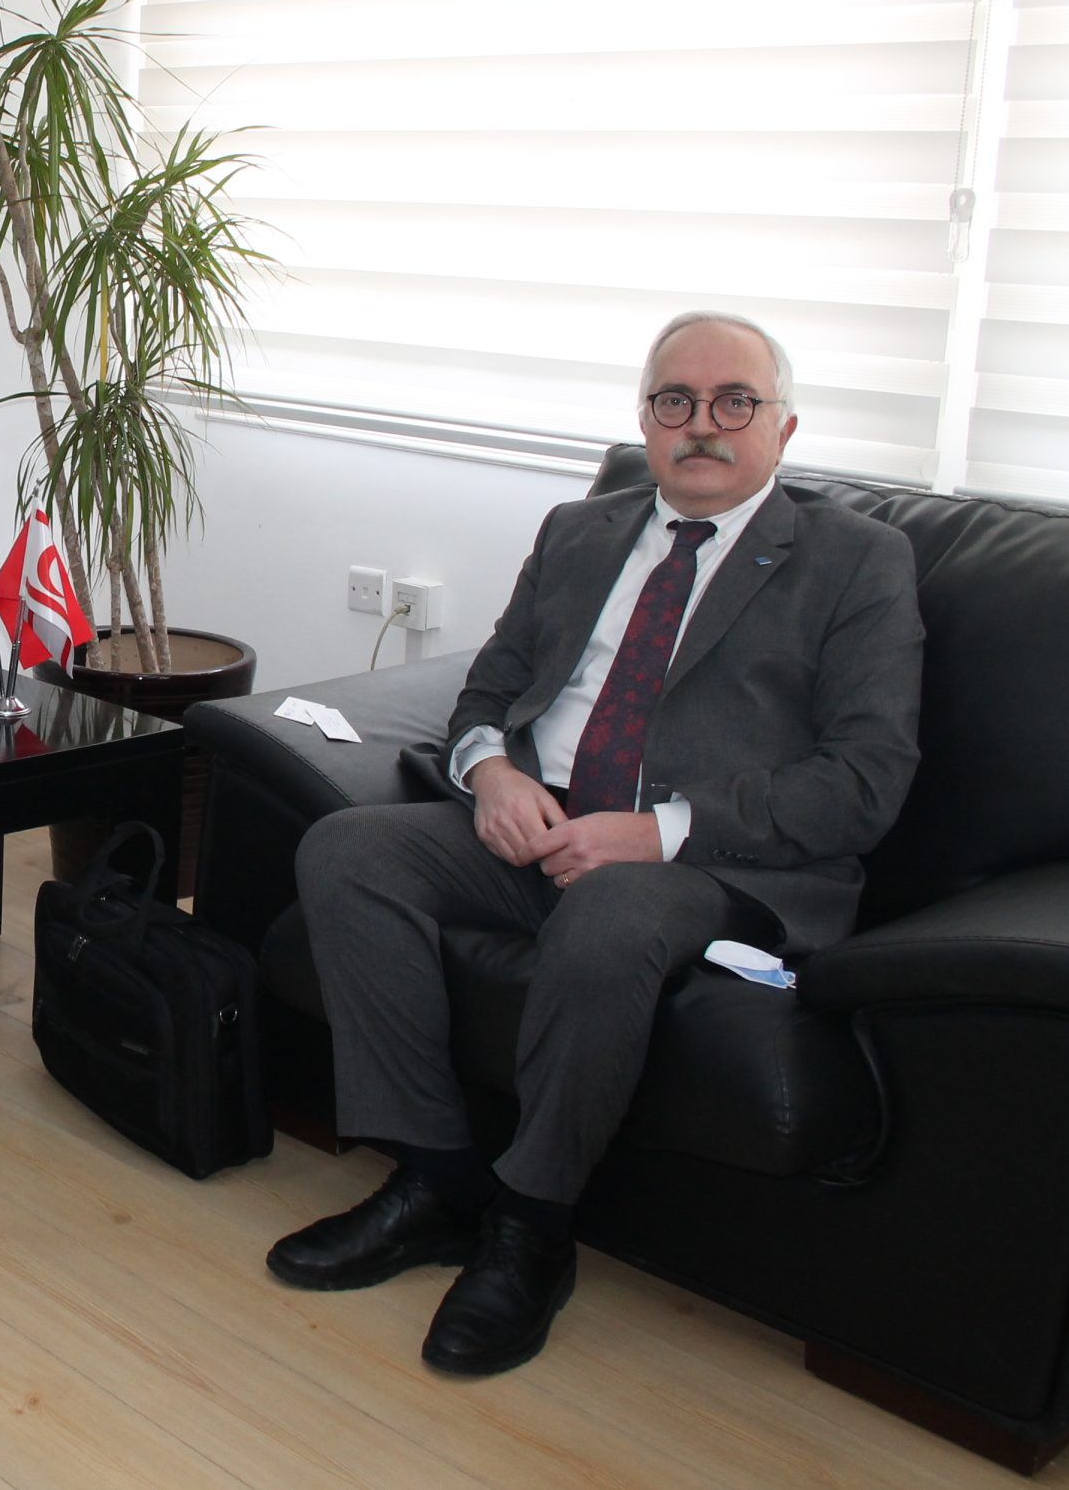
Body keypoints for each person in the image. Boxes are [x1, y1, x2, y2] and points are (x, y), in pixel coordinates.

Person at [268, 312, 924, 1375]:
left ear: (784, 428)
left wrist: (660, 831)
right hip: (541, 823)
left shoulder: (856, 562)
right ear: (644, 420)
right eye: (674, 401)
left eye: (733, 402)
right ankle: (435, 1178)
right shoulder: (580, 531)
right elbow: (485, 690)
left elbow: (865, 780)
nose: (700, 424)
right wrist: (491, 774)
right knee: (348, 852)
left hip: (712, 861)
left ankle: (531, 1225)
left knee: (610, 912)